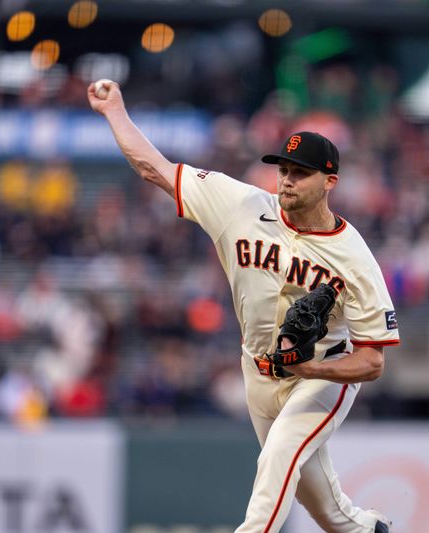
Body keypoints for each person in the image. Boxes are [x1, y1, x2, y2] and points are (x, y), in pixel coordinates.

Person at [88, 81, 399, 533]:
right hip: (256, 370)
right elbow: (154, 168)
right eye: (283, 169)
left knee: (278, 454)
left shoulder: (354, 257)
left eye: (301, 172)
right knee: (327, 511)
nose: (287, 180)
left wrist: (312, 371)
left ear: (330, 181)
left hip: (323, 375)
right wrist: (115, 111)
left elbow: (372, 360)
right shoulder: (240, 205)